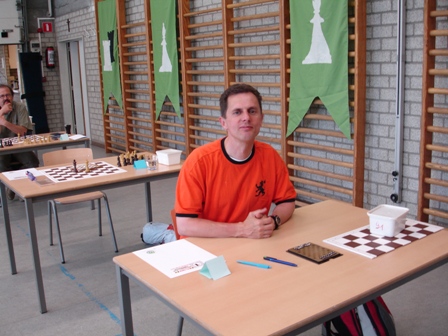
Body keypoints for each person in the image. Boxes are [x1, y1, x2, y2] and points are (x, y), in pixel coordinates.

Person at [175, 83, 296, 238]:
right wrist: (242, 230)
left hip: (251, 244)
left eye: (252, 111)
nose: (246, 117)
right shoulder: (198, 162)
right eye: (237, 112)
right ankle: (160, 232)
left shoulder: (270, 156)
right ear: (223, 122)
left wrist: (274, 221)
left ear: (261, 119)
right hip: (207, 248)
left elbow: (287, 201)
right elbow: (185, 225)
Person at [0, 84, 39, 200]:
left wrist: (5, 123)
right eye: (1, 96)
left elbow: (22, 131)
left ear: (12, 96)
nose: (5, 98)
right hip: (2, 149)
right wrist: (1, 113)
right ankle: (11, 186)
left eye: (7, 95)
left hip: (19, 145)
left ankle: (25, 189)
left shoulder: (20, 107)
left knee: (33, 161)